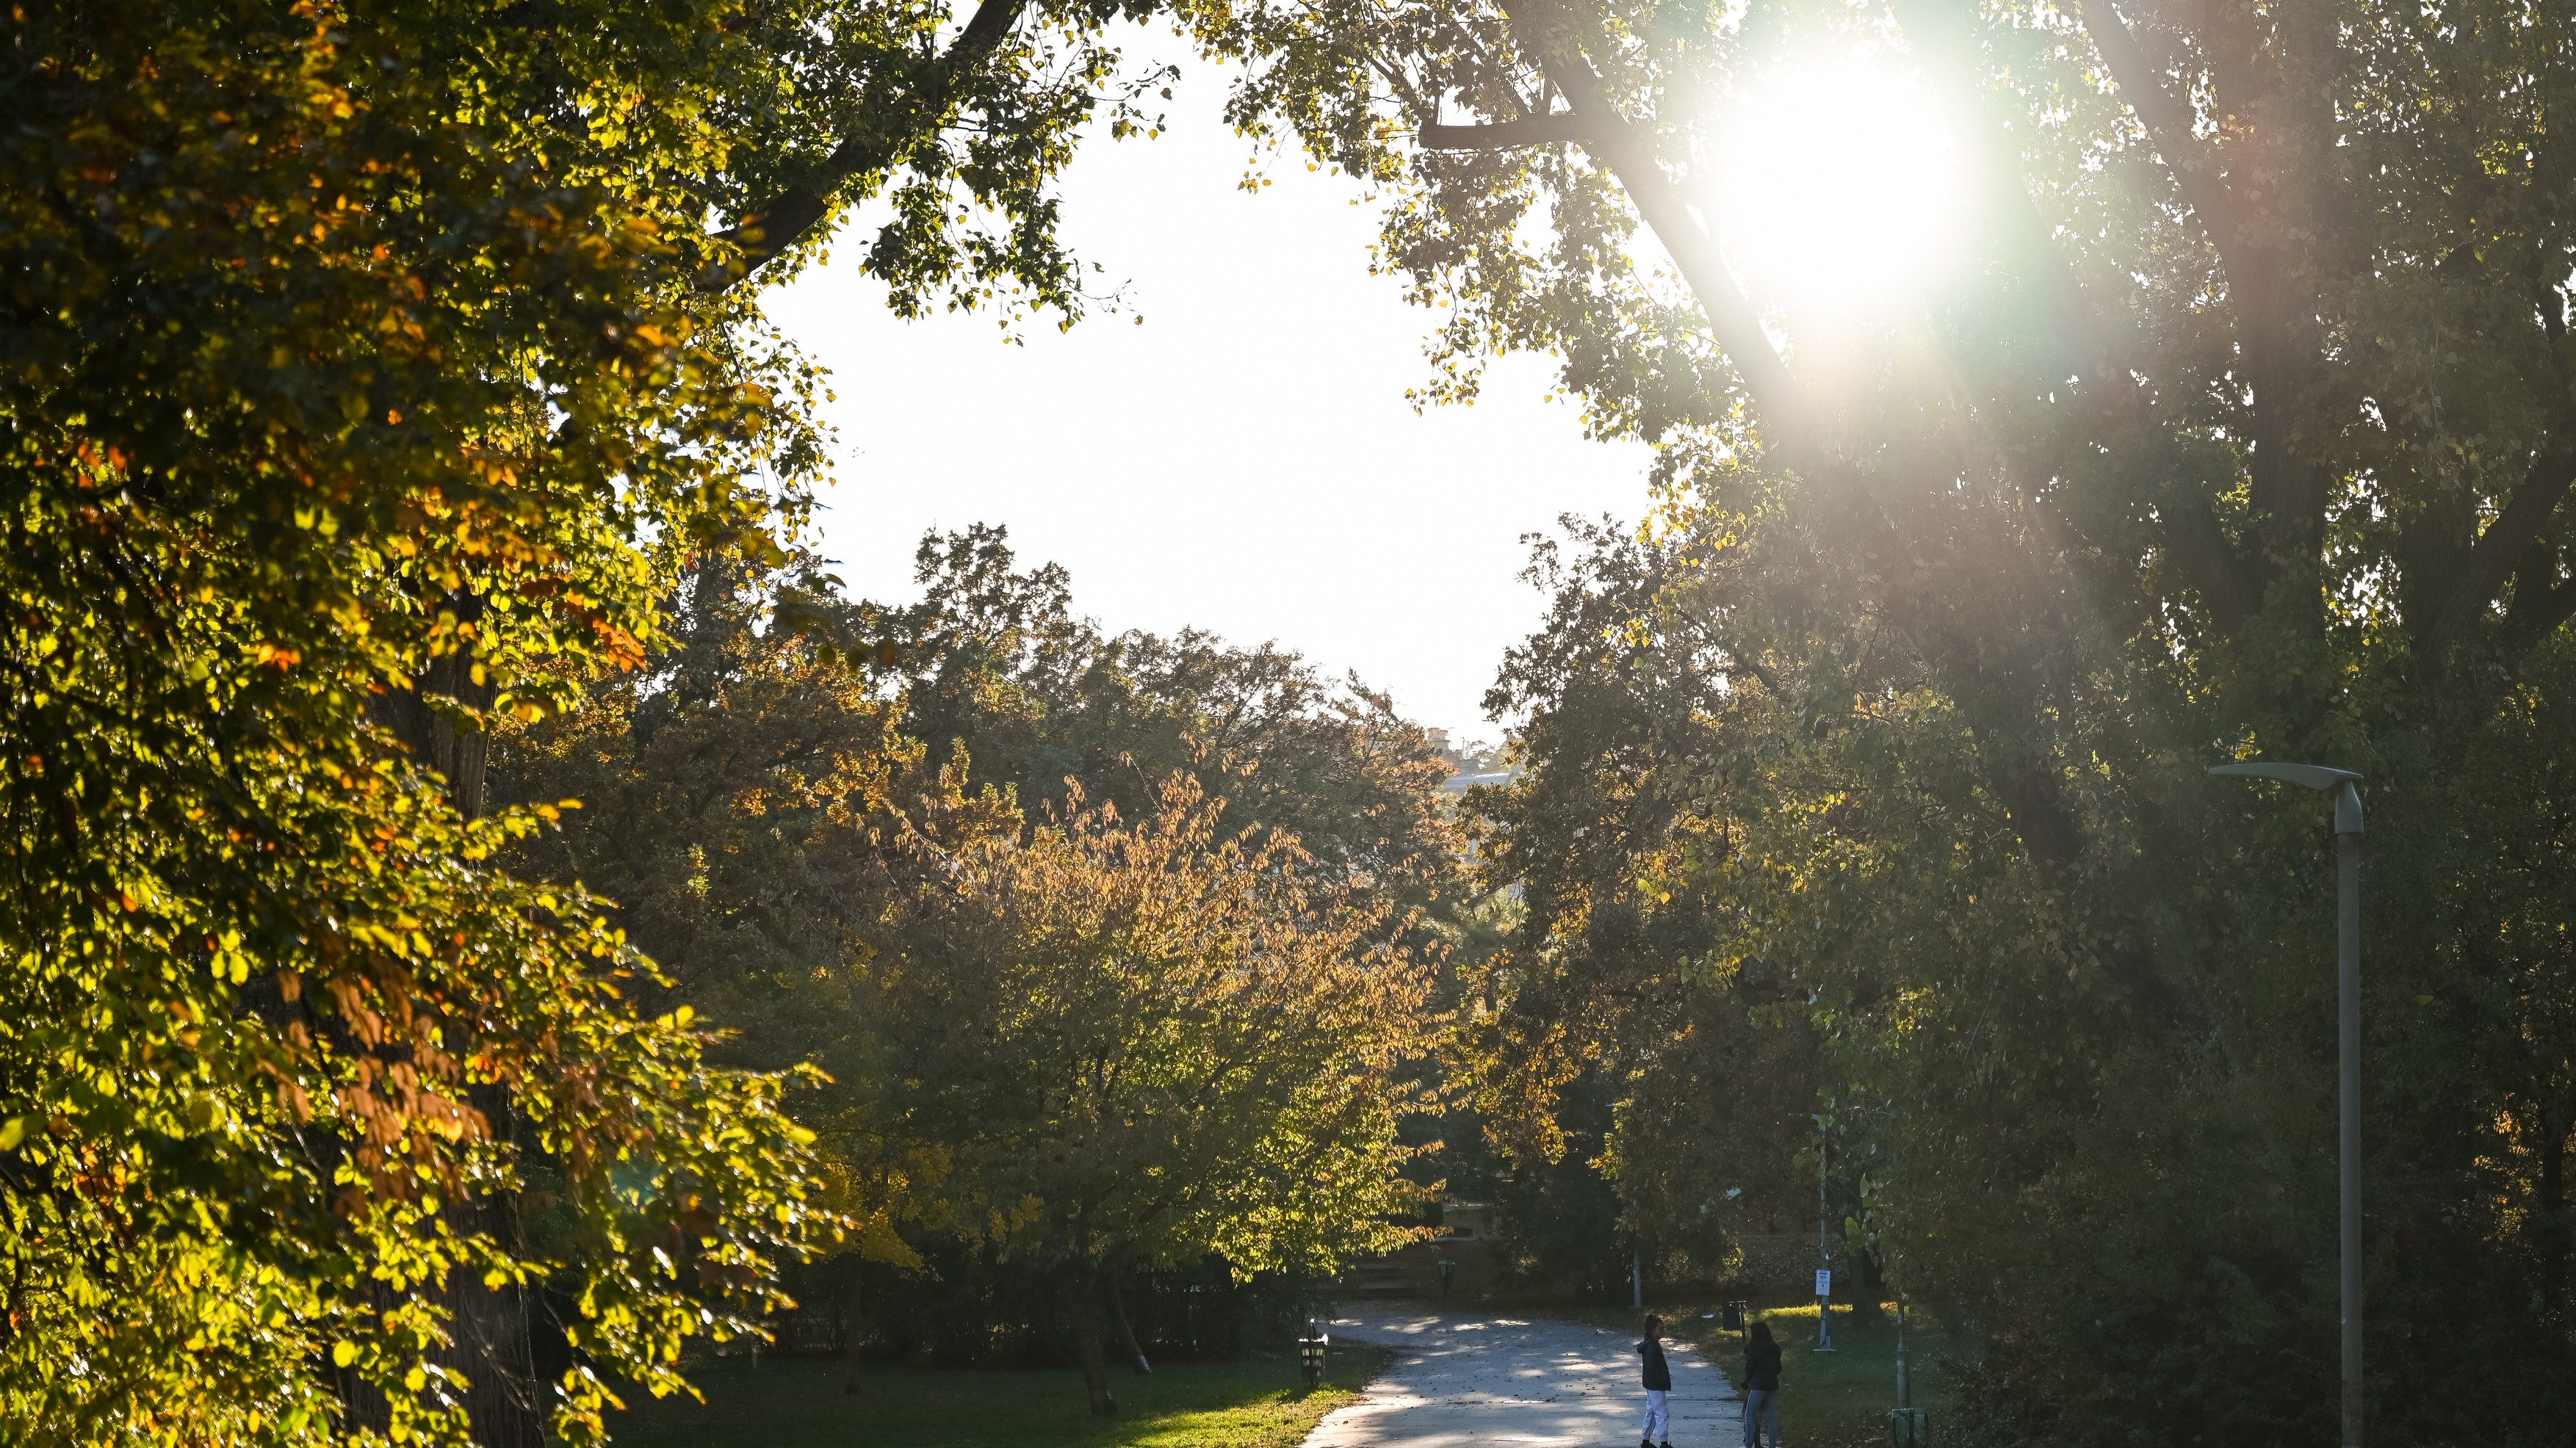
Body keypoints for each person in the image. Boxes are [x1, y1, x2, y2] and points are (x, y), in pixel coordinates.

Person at [1742, 1320, 1782, 1448]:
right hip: (1772, 1385)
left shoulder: (1753, 1348)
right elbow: (1779, 1368)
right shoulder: (1774, 1347)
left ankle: (1748, 1444)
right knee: (1771, 1417)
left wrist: (1747, 1381)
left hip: (1758, 1386)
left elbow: (1749, 1368)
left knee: (1749, 1414)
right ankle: (1772, 1445)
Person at [1637, 1314, 1675, 1448]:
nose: (1663, 1331)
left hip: (1651, 1384)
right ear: (1652, 1331)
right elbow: (1653, 1368)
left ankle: (1645, 1441)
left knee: (1652, 1412)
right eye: (1660, 1329)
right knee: (1662, 1413)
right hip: (1655, 1384)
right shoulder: (1652, 1347)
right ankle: (1664, 1443)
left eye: (1664, 1328)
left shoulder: (1651, 1345)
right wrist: (1661, 1381)